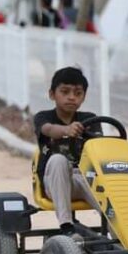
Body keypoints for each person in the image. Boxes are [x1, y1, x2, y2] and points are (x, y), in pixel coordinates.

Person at [34, 67, 102, 240]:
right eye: (65, 92)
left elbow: (99, 147)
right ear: (52, 94)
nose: (71, 97)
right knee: (58, 160)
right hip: (56, 181)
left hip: (85, 180)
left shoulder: (90, 119)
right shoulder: (43, 117)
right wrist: (66, 130)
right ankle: (67, 226)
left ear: (83, 96)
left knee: (116, 182)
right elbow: (48, 130)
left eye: (78, 93)